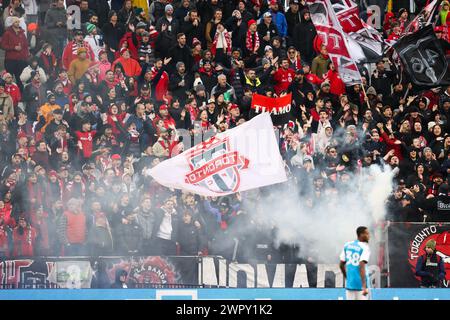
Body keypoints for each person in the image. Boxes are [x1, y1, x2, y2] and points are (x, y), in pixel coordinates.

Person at [339, 226, 371, 300]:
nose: (369, 236)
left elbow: (341, 264)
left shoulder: (347, 245)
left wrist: (347, 277)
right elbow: (361, 266)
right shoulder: (365, 247)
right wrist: (364, 286)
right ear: (361, 235)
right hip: (360, 285)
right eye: (367, 234)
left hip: (350, 284)